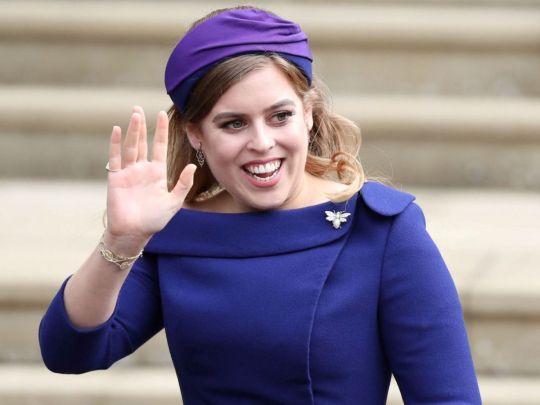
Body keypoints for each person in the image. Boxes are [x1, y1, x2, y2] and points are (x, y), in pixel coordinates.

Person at [39, 6, 482, 404]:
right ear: (196, 134)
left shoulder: (381, 230)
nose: (262, 143)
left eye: (280, 116)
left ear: (309, 113)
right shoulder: (178, 234)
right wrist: (120, 241)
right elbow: (69, 351)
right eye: (233, 124)